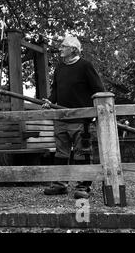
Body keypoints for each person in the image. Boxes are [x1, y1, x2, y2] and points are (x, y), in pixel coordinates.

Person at [41, 35, 105, 199]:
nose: (60, 49)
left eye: (63, 46)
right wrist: (50, 101)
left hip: (80, 119)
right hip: (61, 118)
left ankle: (83, 186)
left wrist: (91, 113)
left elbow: (98, 90)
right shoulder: (60, 68)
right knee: (61, 153)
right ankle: (60, 184)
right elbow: (56, 89)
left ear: (73, 49)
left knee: (81, 152)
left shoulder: (85, 66)